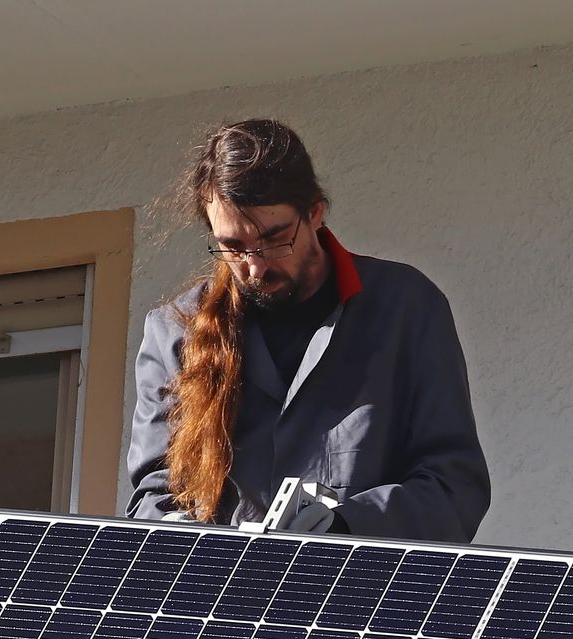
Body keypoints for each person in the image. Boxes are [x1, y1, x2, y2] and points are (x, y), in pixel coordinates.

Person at [127, 119, 491, 541]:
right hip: (221, 600)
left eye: (274, 238)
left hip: (369, 596)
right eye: (234, 247)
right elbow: (154, 497)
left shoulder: (406, 308)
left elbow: (454, 488)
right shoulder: (175, 332)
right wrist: (177, 535)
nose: (255, 267)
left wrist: (347, 524)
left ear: (315, 212)